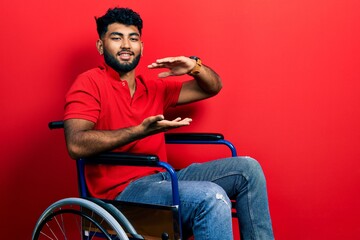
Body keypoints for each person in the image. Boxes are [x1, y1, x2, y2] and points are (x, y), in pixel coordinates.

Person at [64, 7, 274, 240]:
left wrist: (195, 68)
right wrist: (139, 131)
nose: (126, 45)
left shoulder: (153, 88)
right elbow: (76, 144)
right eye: (116, 37)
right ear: (101, 46)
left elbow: (213, 87)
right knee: (211, 196)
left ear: (141, 47)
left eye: (133, 38)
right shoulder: (89, 83)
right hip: (122, 194)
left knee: (249, 170)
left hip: (164, 178)